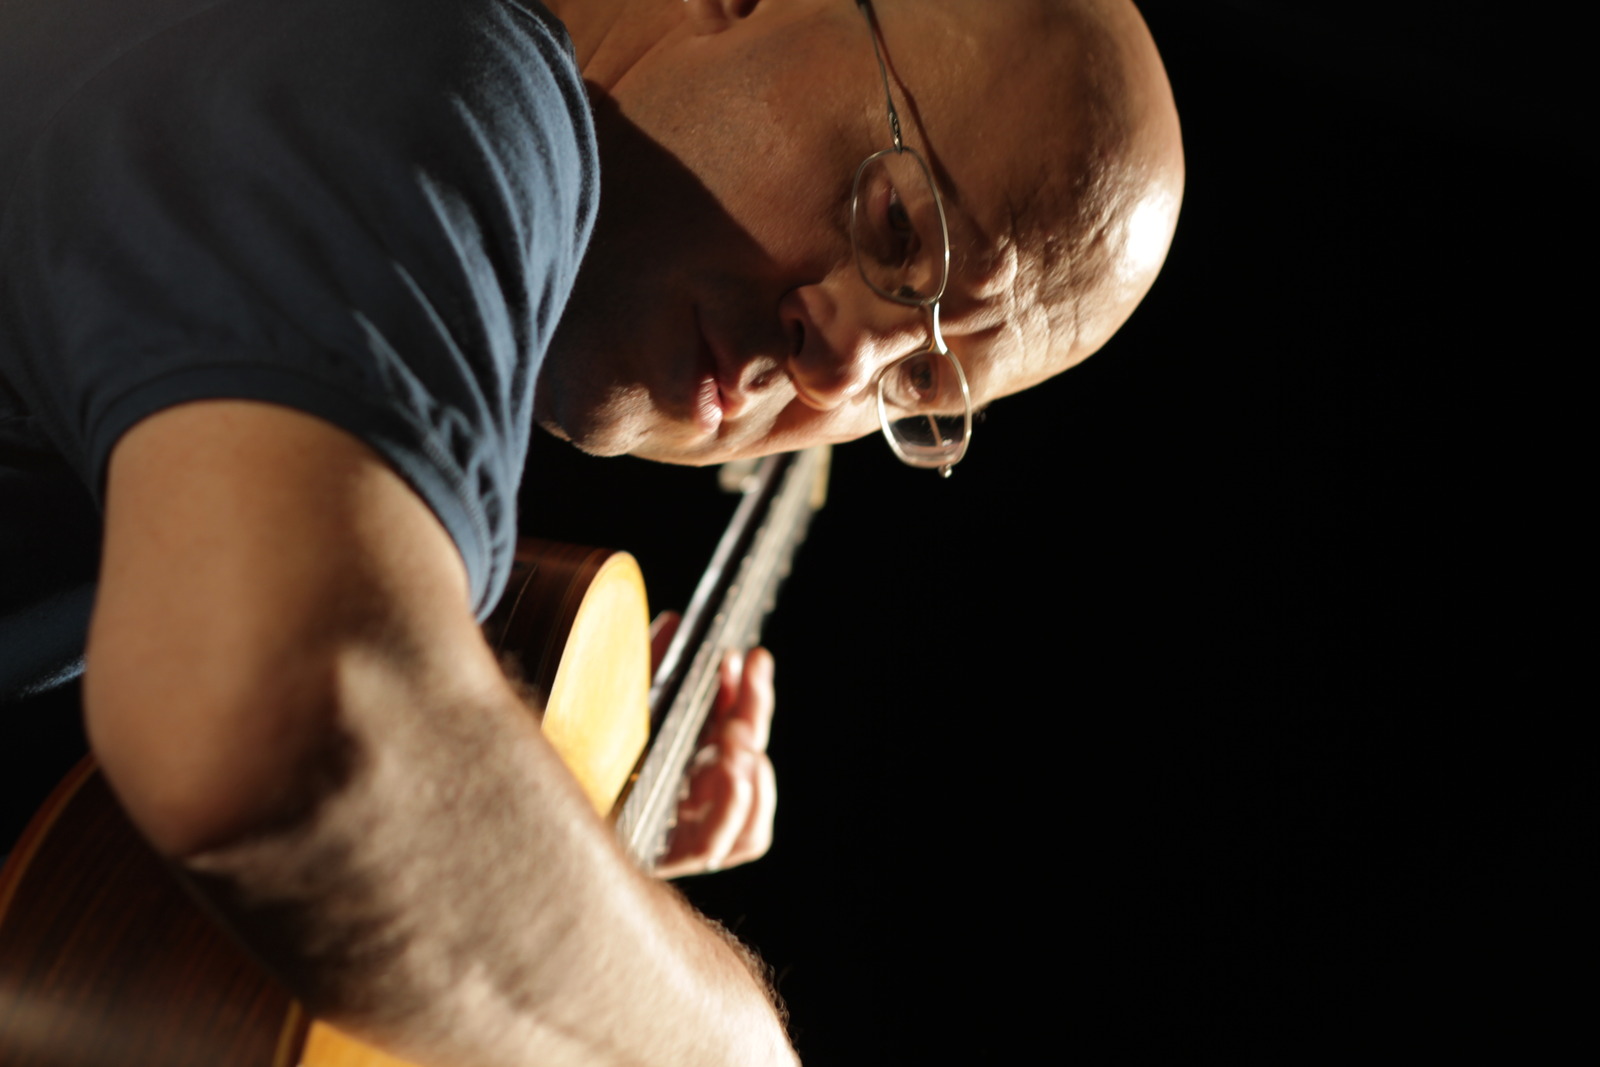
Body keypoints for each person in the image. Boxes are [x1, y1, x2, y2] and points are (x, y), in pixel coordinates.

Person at [0, 0, 1183, 1063]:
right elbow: (283, 728)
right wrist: (700, 1034)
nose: (839, 369)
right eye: (892, 222)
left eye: (915, 383)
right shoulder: (463, 80)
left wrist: (540, 896)